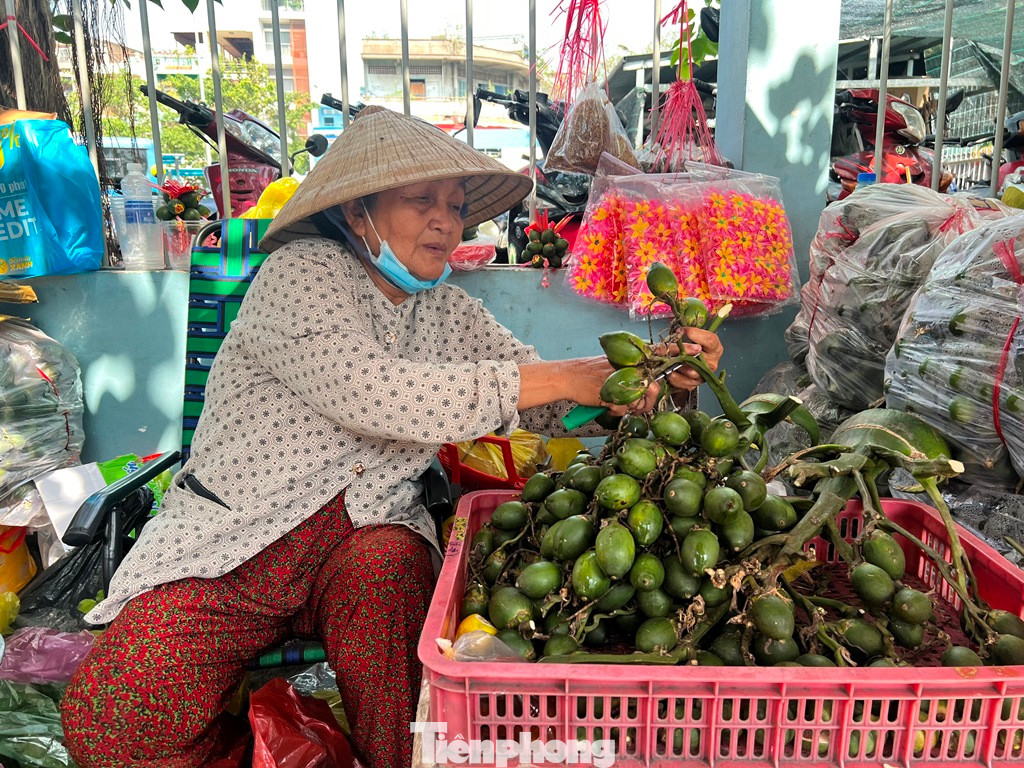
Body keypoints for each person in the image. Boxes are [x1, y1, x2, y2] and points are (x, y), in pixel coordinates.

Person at [61, 106, 723, 768]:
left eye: (457, 205)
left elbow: (544, 405)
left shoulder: (449, 309)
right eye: (421, 201)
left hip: (361, 541)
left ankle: (392, 760)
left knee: (391, 572)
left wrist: (652, 382)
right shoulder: (302, 273)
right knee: (114, 717)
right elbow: (374, 392)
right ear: (358, 213)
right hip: (236, 542)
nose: (446, 219)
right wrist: (568, 377)